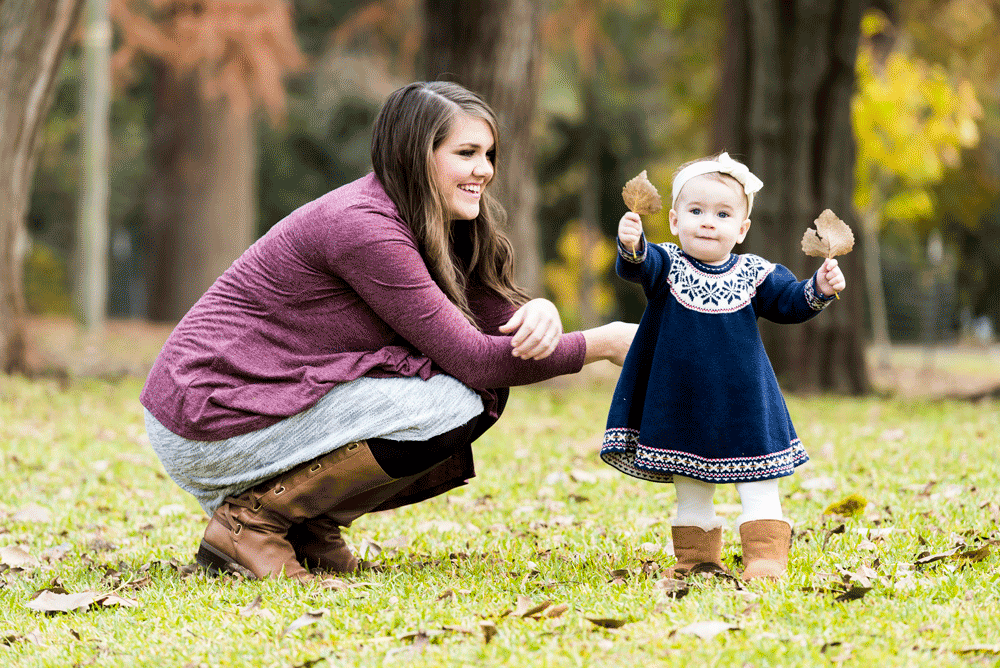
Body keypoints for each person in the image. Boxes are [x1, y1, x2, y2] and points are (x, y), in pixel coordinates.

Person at [140, 81, 635, 583]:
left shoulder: (432, 220)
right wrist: (606, 343)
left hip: (249, 404)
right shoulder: (364, 226)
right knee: (454, 399)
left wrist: (542, 310)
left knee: (474, 394)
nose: (484, 170)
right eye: (465, 153)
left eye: (488, 154)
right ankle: (254, 523)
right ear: (417, 156)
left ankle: (308, 526)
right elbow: (476, 360)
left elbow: (497, 325)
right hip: (206, 414)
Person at [601, 152, 846, 581]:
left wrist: (818, 288)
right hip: (683, 402)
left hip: (746, 402)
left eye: (722, 213)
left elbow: (789, 302)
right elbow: (639, 265)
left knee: (758, 481)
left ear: (741, 229)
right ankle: (695, 558)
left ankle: (765, 559)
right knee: (691, 482)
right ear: (675, 221)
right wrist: (632, 245)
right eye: (696, 211)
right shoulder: (668, 265)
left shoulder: (755, 272)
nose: (708, 221)